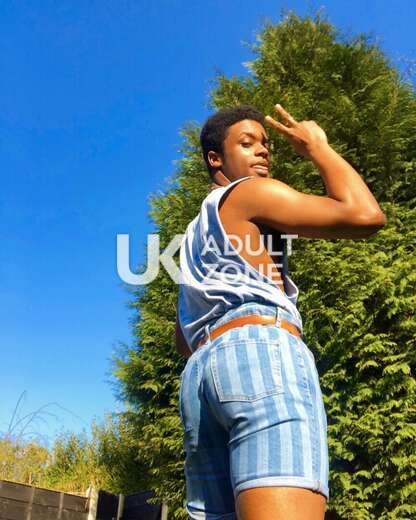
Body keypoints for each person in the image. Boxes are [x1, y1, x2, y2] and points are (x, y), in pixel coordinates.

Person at [175, 104, 386, 520]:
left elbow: (182, 339)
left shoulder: (193, 236)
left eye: (265, 143)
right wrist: (318, 147)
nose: (263, 151)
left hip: (200, 377)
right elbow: (365, 216)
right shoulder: (249, 192)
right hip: (259, 350)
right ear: (215, 158)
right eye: (247, 143)